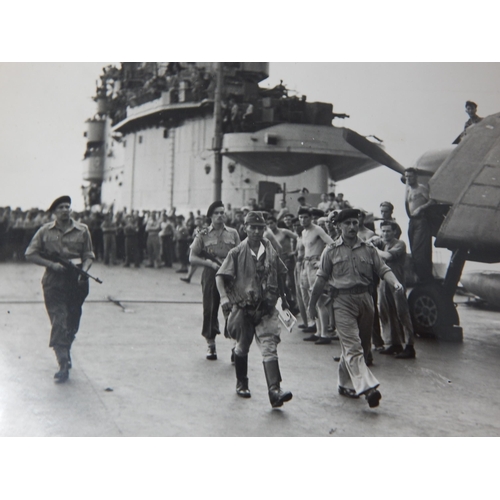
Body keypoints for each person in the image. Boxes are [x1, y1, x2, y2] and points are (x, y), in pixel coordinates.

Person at [308, 208, 404, 408]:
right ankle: (368, 388)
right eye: (347, 223)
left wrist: (395, 283)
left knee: (361, 345)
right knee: (353, 347)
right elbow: (320, 279)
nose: (352, 227)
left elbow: (383, 268)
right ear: (338, 226)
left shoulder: (368, 249)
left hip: (365, 299)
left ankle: (344, 383)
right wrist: (312, 305)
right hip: (342, 302)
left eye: (354, 222)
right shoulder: (331, 250)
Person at [216, 211, 293, 408]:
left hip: (266, 307)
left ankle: (274, 391)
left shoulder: (270, 250)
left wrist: (284, 298)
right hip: (244, 308)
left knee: (269, 345)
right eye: (253, 227)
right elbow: (220, 276)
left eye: (260, 227)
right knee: (242, 346)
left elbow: (281, 272)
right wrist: (225, 297)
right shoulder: (236, 253)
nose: (257, 231)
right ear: (245, 228)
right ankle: (242, 383)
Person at [24, 196, 95, 383]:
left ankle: (66, 348)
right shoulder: (44, 231)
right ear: (54, 211)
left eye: (68, 207)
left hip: (77, 281)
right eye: (61, 207)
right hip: (54, 281)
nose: (65, 210)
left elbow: (89, 255)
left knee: (72, 320)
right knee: (59, 320)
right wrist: (52, 265)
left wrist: (84, 271)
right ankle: (63, 362)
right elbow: (30, 254)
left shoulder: (82, 230)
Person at [189, 201, 240, 360]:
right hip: (211, 274)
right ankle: (211, 345)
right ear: (210, 216)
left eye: (222, 212)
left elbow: (240, 253)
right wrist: (209, 263)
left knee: (231, 310)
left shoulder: (233, 233)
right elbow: (192, 257)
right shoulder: (203, 233)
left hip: (229, 274)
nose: (220, 215)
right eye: (216, 213)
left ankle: (234, 347)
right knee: (210, 309)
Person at [371, 221, 416, 359]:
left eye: (388, 231)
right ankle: (395, 343)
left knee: (402, 312)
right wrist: (371, 240)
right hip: (384, 282)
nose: (385, 234)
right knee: (387, 312)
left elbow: (387, 256)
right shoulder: (382, 242)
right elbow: (367, 241)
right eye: (383, 231)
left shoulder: (399, 244)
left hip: (397, 282)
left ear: (394, 232)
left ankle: (409, 346)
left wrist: (372, 247)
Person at [298, 207, 334, 344]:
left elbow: (332, 244)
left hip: (315, 266)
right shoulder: (304, 232)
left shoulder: (318, 230)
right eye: (301, 217)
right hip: (306, 266)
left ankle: (325, 334)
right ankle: (318, 331)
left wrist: (321, 261)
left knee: (318, 299)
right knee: (310, 298)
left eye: (306, 217)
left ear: (311, 218)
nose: (303, 220)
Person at [404, 168, 435, 283]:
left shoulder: (421, 188)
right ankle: (419, 277)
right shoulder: (408, 190)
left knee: (419, 251)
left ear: (416, 177)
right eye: (406, 177)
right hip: (412, 221)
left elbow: (432, 201)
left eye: (410, 176)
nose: (408, 179)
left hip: (421, 221)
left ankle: (425, 277)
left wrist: (420, 208)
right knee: (413, 249)